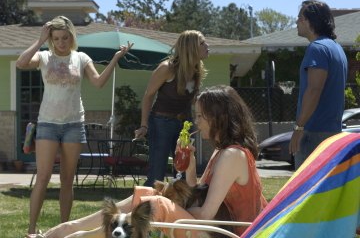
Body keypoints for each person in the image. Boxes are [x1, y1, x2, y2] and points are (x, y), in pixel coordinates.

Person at [44, 85, 268, 238]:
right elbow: (196, 196)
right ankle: (73, 228)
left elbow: (206, 214)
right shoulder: (222, 153)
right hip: (213, 230)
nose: (196, 121)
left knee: (157, 203)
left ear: (219, 118)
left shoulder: (232, 155)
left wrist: (169, 207)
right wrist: (189, 166)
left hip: (229, 234)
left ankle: (84, 235)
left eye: (200, 116)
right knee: (148, 194)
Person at [16, 15, 133, 237]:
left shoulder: (80, 57)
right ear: (51, 39)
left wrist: (115, 58)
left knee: (67, 179)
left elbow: (98, 82)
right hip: (48, 123)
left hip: (73, 124)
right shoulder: (43, 56)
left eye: (65, 38)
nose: (61, 42)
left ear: (71, 37)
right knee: (42, 177)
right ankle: (31, 231)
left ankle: (64, 229)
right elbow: (21, 63)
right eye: (57, 38)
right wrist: (40, 40)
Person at [134, 30, 209, 186]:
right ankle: (149, 207)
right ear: (190, 48)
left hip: (185, 123)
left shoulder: (196, 69)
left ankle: (179, 207)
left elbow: (193, 98)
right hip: (162, 121)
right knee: (157, 172)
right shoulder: (167, 68)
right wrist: (143, 125)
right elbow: (148, 96)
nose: (207, 46)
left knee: (183, 170)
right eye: (202, 43)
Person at [289, 0, 348, 170]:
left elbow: (315, 89)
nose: (296, 22)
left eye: (300, 18)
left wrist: (299, 127)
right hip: (332, 133)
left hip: (313, 133)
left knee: (305, 192)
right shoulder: (336, 48)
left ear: (310, 21)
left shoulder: (317, 48)